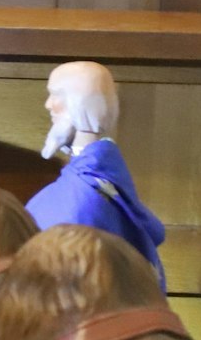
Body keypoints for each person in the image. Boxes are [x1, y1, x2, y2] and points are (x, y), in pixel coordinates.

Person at [27, 61, 169, 290]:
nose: (48, 105)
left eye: (56, 95)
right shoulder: (105, 179)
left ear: (79, 102)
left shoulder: (82, 199)